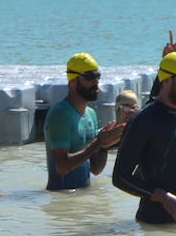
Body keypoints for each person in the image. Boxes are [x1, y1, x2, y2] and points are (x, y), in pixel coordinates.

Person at [112, 51, 176, 224]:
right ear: (167, 80)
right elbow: (120, 177)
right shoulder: (143, 119)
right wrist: (163, 197)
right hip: (154, 229)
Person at [44, 53, 123, 190]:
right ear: (73, 81)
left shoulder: (90, 114)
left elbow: (95, 169)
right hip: (62, 198)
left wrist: (104, 146)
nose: (96, 82)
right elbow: (62, 167)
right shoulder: (60, 113)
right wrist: (97, 142)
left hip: (82, 199)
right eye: (90, 77)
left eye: (98, 76)